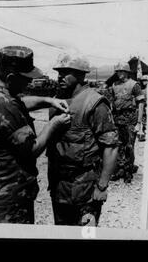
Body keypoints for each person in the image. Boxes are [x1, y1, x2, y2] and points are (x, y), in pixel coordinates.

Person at [0, 46, 70, 224]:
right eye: (25, 80)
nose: (29, 84)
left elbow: (19, 102)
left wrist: (48, 100)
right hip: (12, 199)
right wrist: (52, 125)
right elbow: (31, 149)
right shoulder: (6, 106)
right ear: (11, 78)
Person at [47, 52, 119, 226]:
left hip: (84, 190)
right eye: (59, 72)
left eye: (66, 72)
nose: (60, 76)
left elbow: (111, 146)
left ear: (80, 74)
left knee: (86, 235)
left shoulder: (95, 103)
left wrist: (102, 186)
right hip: (59, 187)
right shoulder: (57, 101)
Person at [109, 62, 145, 183]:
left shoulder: (134, 85)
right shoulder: (114, 85)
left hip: (130, 118)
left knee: (129, 146)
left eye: (121, 71)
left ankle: (128, 171)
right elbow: (112, 102)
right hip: (117, 118)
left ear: (126, 72)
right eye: (117, 71)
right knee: (118, 146)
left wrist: (139, 123)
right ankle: (119, 169)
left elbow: (141, 103)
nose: (119, 73)